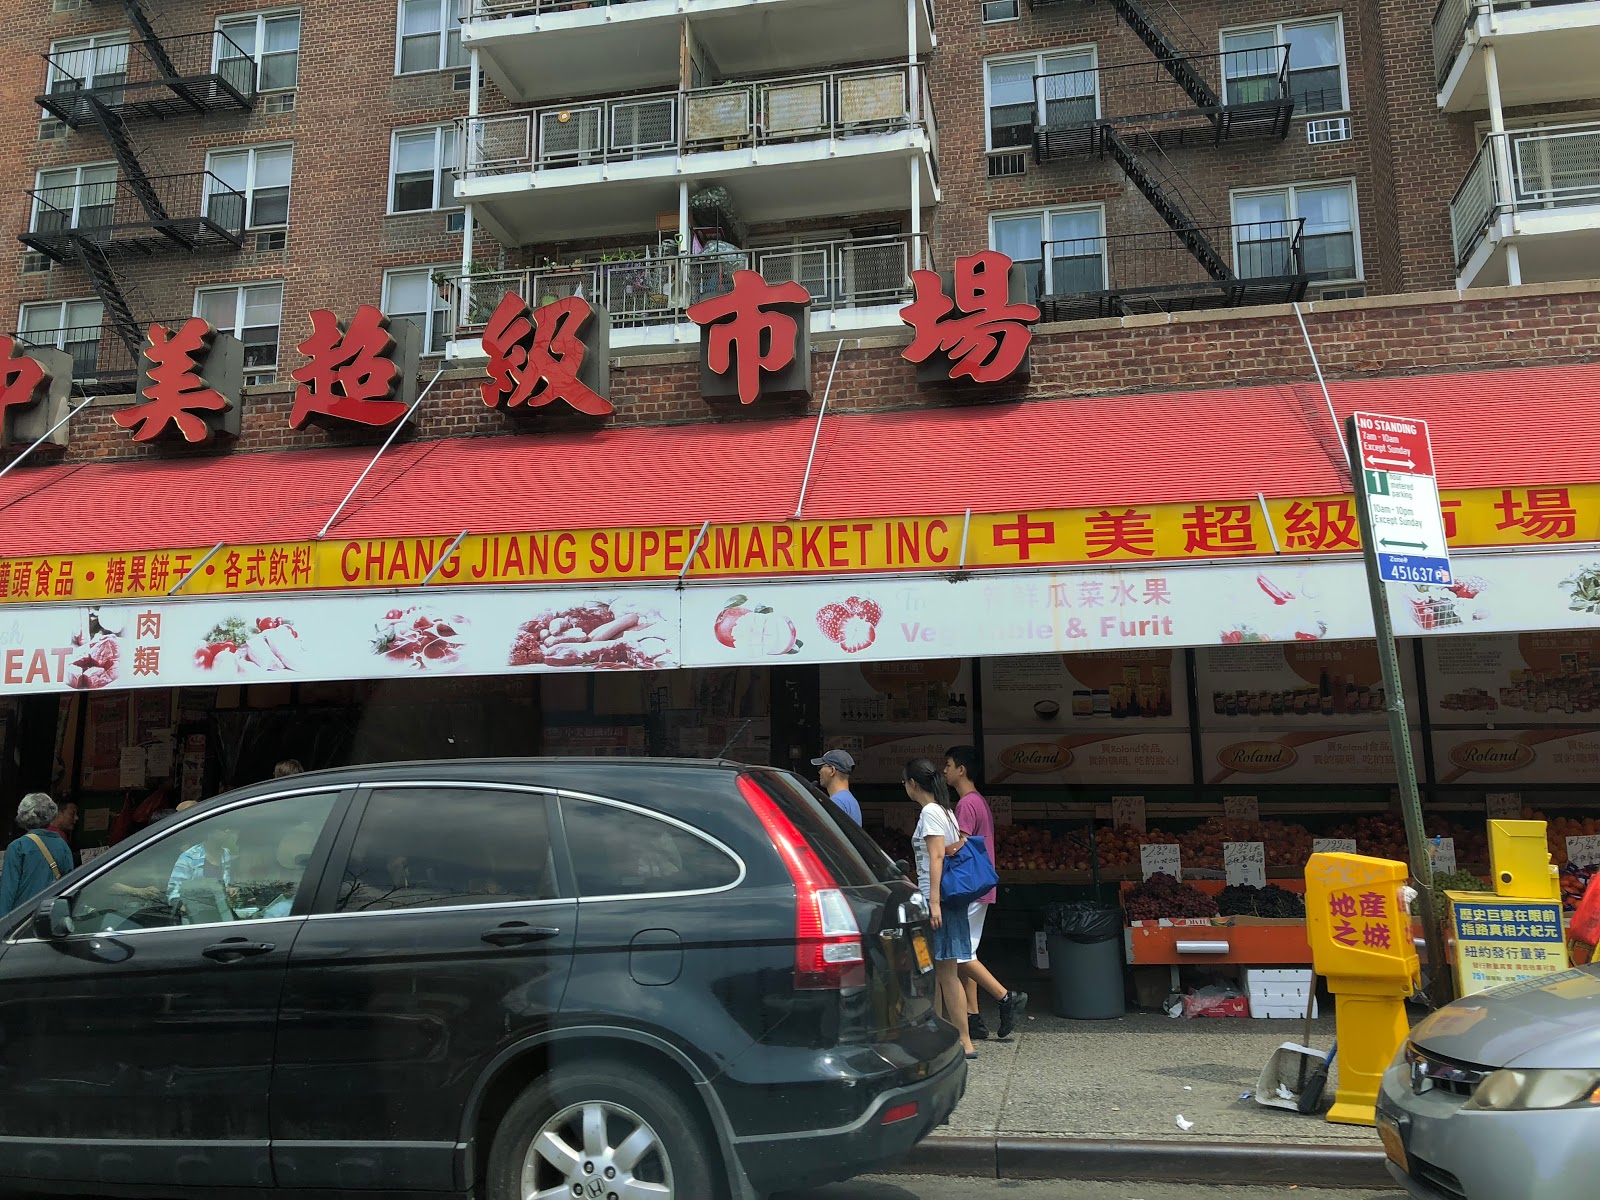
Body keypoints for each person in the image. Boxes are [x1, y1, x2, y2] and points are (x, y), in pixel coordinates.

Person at [946, 745, 1028, 1041]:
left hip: (968, 887)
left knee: (957, 953)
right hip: (981, 886)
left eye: (948, 765)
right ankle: (973, 1017)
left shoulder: (966, 805)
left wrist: (934, 851)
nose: (945, 771)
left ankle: (1005, 997)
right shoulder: (979, 801)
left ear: (961, 769)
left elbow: (961, 846)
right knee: (968, 951)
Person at [903, 757, 979, 1060]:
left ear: (912, 784)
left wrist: (933, 902)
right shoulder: (945, 812)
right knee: (938, 972)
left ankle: (963, 1039)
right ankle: (942, 1032)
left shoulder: (931, 812)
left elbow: (936, 858)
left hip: (939, 901)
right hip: (947, 901)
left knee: (944, 973)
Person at [0, 793, 74, 914]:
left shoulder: (18, 847)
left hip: (22, 918)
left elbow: (8, 892)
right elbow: (69, 885)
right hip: (51, 916)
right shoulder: (63, 845)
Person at [811, 749, 862, 825]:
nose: (819, 772)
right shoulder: (851, 801)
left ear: (832, 770)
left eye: (820, 767)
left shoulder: (836, 802)